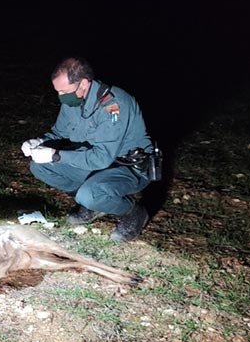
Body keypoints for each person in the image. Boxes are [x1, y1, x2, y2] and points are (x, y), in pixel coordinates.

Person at [21, 57, 157, 242]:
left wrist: (56, 155)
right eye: (58, 91)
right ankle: (92, 203)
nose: (61, 96)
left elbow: (101, 158)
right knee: (39, 166)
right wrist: (39, 141)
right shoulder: (73, 100)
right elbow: (59, 132)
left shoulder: (114, 106)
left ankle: (134, 213)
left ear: (84, 83)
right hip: (96, 163)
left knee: (89, 193)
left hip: (128, 167)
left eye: (64, 91)